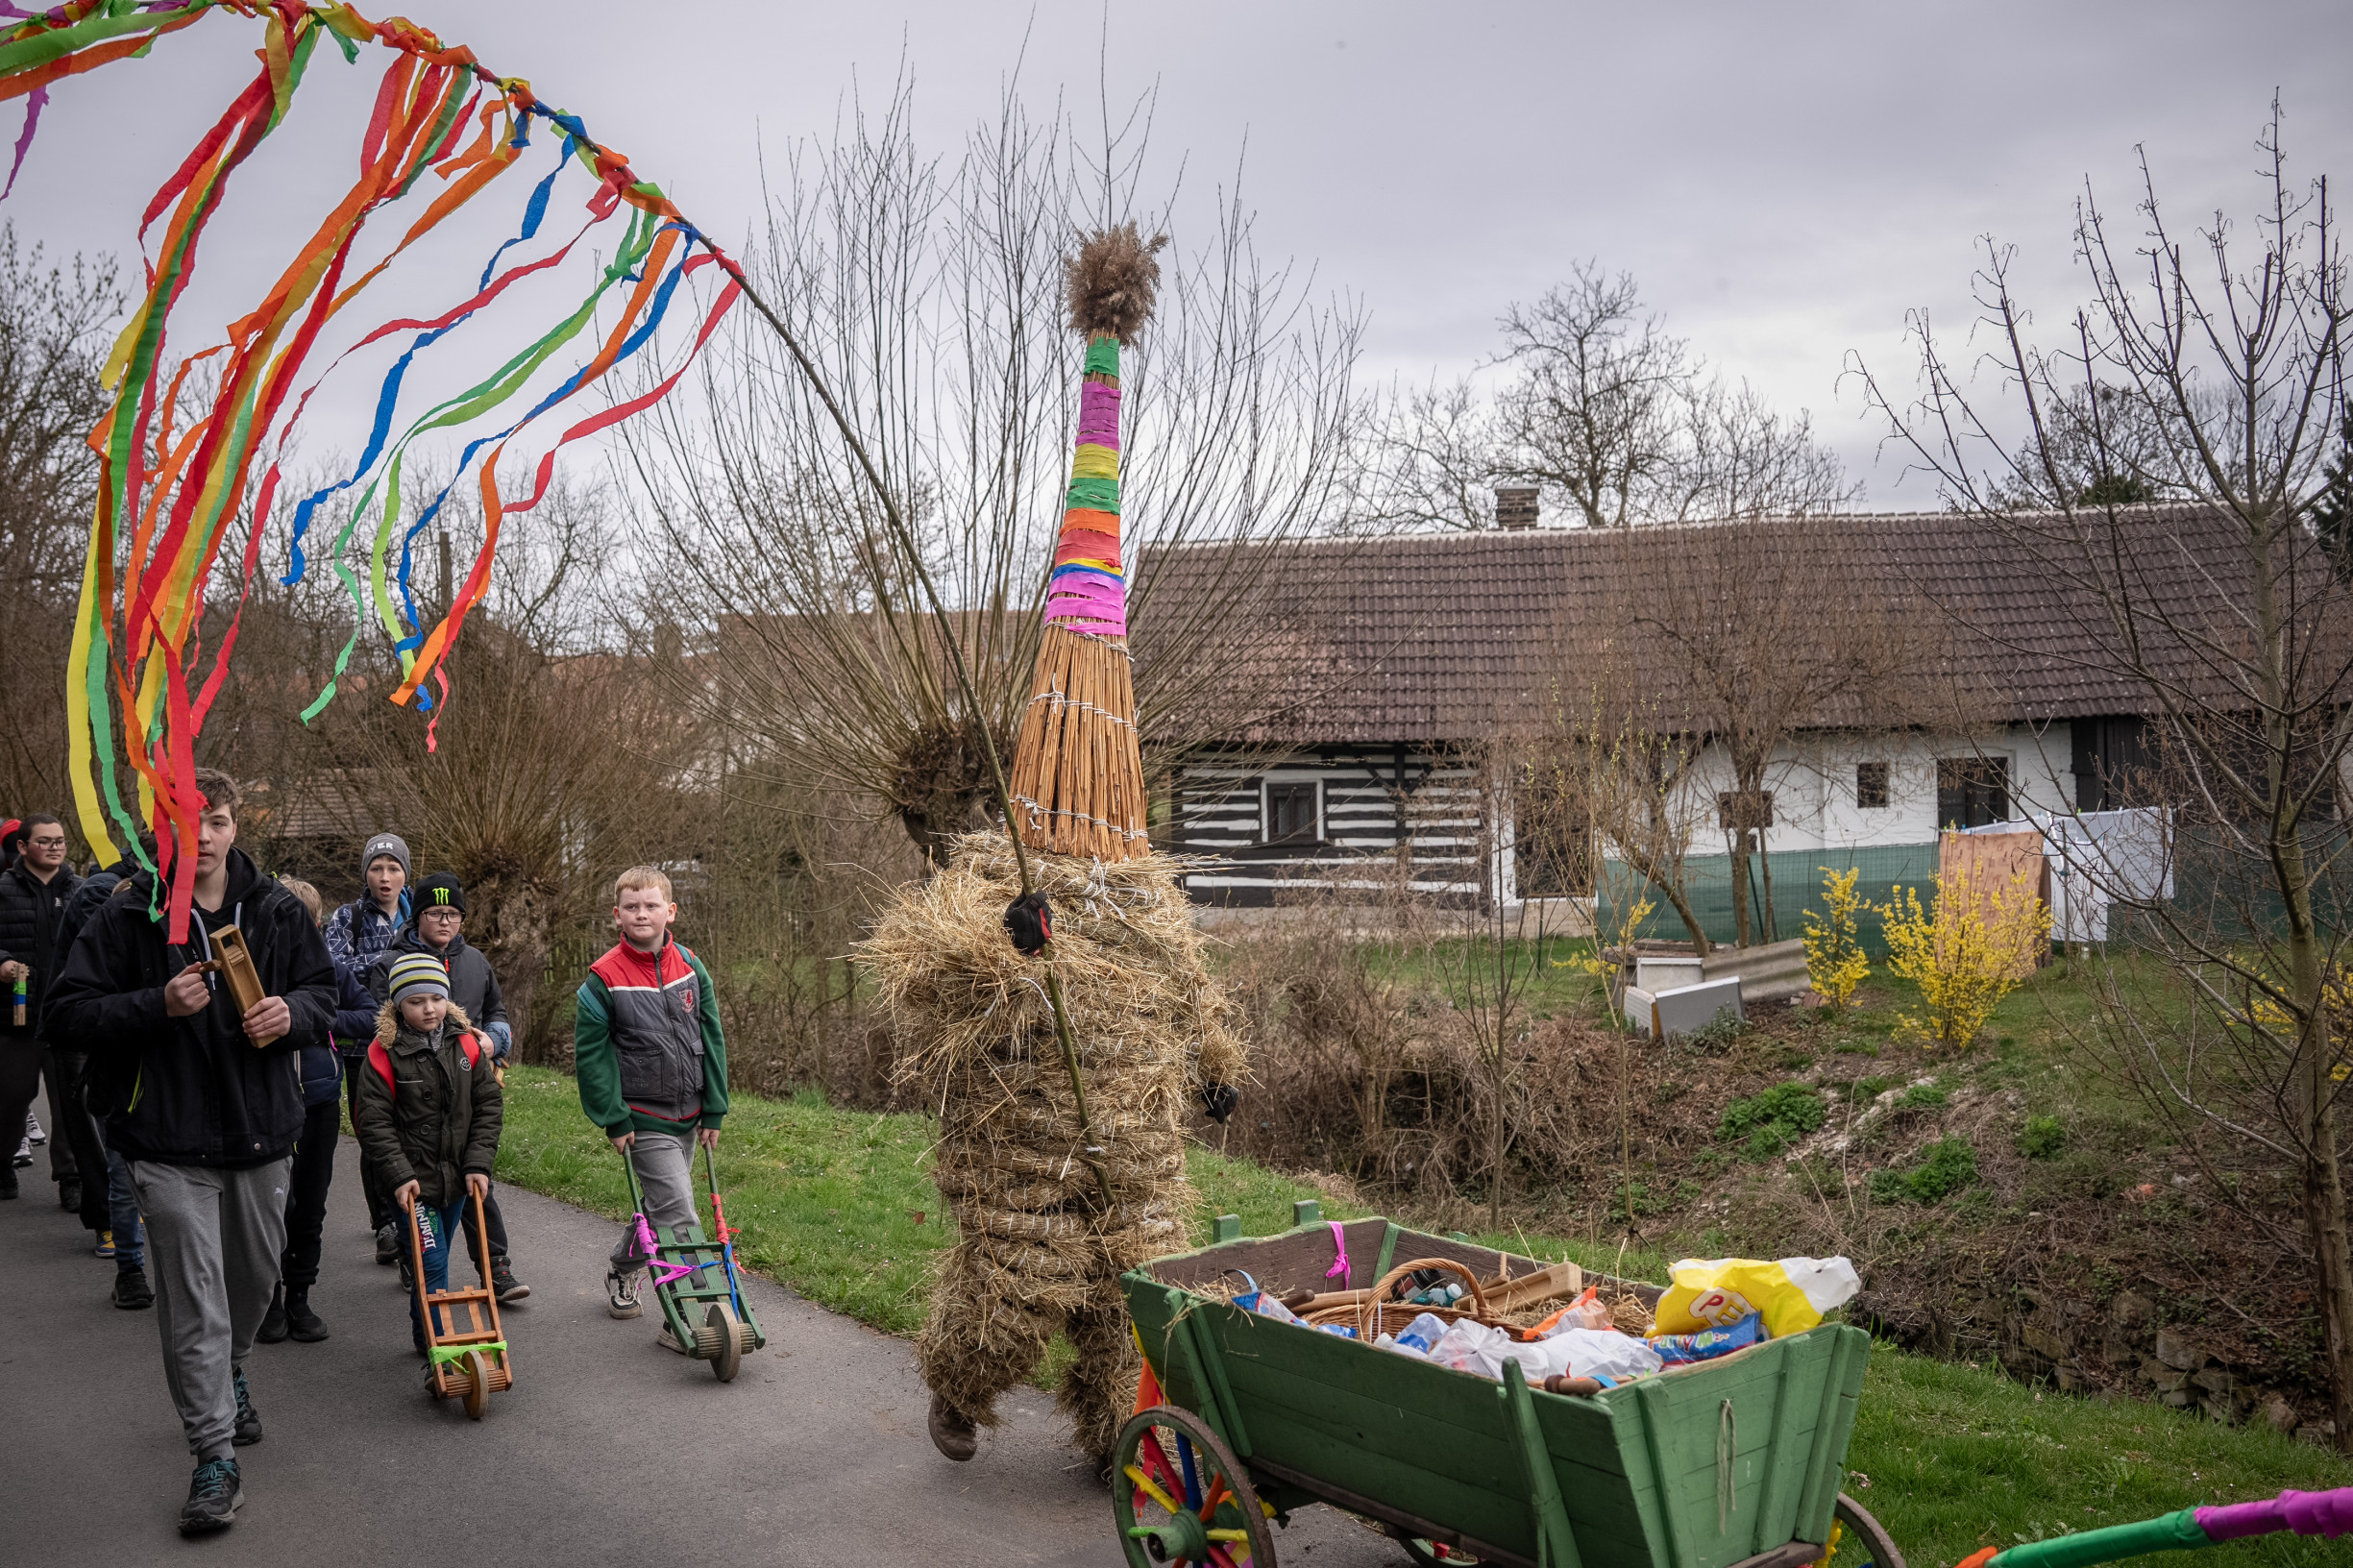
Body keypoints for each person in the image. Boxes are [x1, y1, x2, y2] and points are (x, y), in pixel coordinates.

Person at [46, 770, 337, 1537]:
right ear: (157, 829)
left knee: (250, 1286)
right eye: (183, 821)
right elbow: (66, 1015)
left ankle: (232, 1371)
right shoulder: (126, 916)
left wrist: (293, 1016)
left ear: (235, 825)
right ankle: (212, 1455)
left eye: (213, 820)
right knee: (194, 1300)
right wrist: (157, 1004)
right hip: (164, 1142)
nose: (200, 836)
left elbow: (324, 993)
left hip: (262, 1135)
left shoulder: (276, 910)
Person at [572, 865, 726, 1343]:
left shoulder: (691, 967)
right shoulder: (603, 980)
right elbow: (592, 1058)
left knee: (663, 1209)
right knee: (680, 1214)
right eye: (632, 907)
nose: (643, 913)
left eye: (652, 905)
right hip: (642, 1118)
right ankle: (701, 1315)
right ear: (617, 915)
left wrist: (714, 1107)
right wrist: (614, 1118)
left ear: (670, 910)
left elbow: (712, 1036)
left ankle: (623, 1267)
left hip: (688, 1112)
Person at [365, 871, 527, 1302]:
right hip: (413, 1096)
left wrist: (493, 1040)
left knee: (474, 1179)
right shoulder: (391, 962)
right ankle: (416, 1265)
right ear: (418, 915)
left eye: (453, 914)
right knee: (423, 1207)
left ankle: (496, 1267)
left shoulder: (475, 961)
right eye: (435, 913)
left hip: (464, 1080)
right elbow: (379, 1030)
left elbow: (498, 1011)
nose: (445, 922)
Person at [353, 953, 502, 1361]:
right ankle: (439, 1347)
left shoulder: (466, 1043)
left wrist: (477, 1163)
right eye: (416, 1001)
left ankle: (425, 1335)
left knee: (434, 1259)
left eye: (435, 998)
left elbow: (488, 1106)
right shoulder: (383, 1053)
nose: (428, 1008)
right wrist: (399, 1176)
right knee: (432, 1263)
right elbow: (374, 1123)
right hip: (413, 1185)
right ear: (399, 1004)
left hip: (456, 1179)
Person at [53, 834, 159, 1307]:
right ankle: (130, 1267)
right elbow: (75, 1008)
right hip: (117, 1072)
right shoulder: (105, 904)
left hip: (168, 1078)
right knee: (122, 1173)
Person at [255, 877, 360, 1344]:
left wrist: (313, 1015)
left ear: (315, 925)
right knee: (272, 1205)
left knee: (310, 1204)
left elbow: (373, 1012)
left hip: (318, 1101)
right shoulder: (253, 976)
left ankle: (300, 1295)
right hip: (266, 1104)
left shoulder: (331, 972)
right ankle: (268, 1299)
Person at [323, 831, 407, 1265]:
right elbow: (332, 968)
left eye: (393, 868)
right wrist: (386, 962)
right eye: (377, 868)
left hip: (412, 1043)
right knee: (373, 1133)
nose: (385, 877)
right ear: (366, 874)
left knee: (407, 1131)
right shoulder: (347, 918)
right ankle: (385, 1225)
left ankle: (412, 1215)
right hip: (362, 1046)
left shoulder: (417, 918)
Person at [0, 814, 86, 1206]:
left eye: (60, 841)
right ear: (22, 847)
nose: (55, 847)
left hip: (67, 1019)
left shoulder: (80, 891)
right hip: (16, 1018)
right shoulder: (2, 889)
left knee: (72, 1102)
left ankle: (71, 1178)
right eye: (45, 841)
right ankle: (3, 1165)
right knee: (11, 1097)